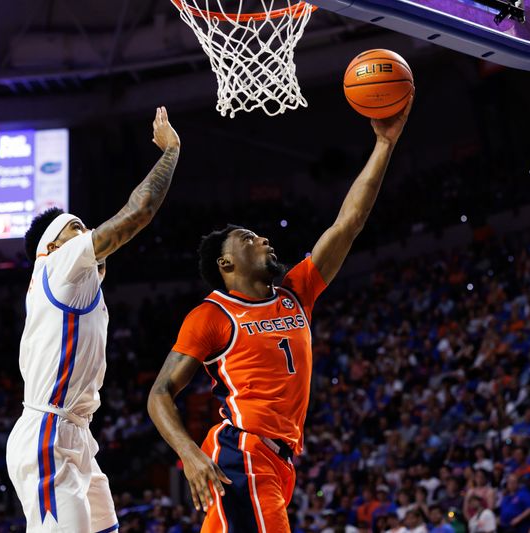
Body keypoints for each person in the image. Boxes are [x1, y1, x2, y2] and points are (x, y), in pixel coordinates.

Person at [147, 98, 413, 532]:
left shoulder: (295, 293)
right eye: (249, 239)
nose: (263, 239)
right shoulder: (212, 316)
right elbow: (159, 395)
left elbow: (349, 223)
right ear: (225, 265)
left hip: (280, 459)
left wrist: (384, 144)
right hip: (244, 454)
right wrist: (190, 455)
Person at [7, 107, 180, 532]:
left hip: (74, 434)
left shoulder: (73, 282)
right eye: (77, 228)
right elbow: (137, 213)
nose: (87, 235)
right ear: (53, 244)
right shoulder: (59, 263)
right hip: (48, 434)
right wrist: (171, 152)